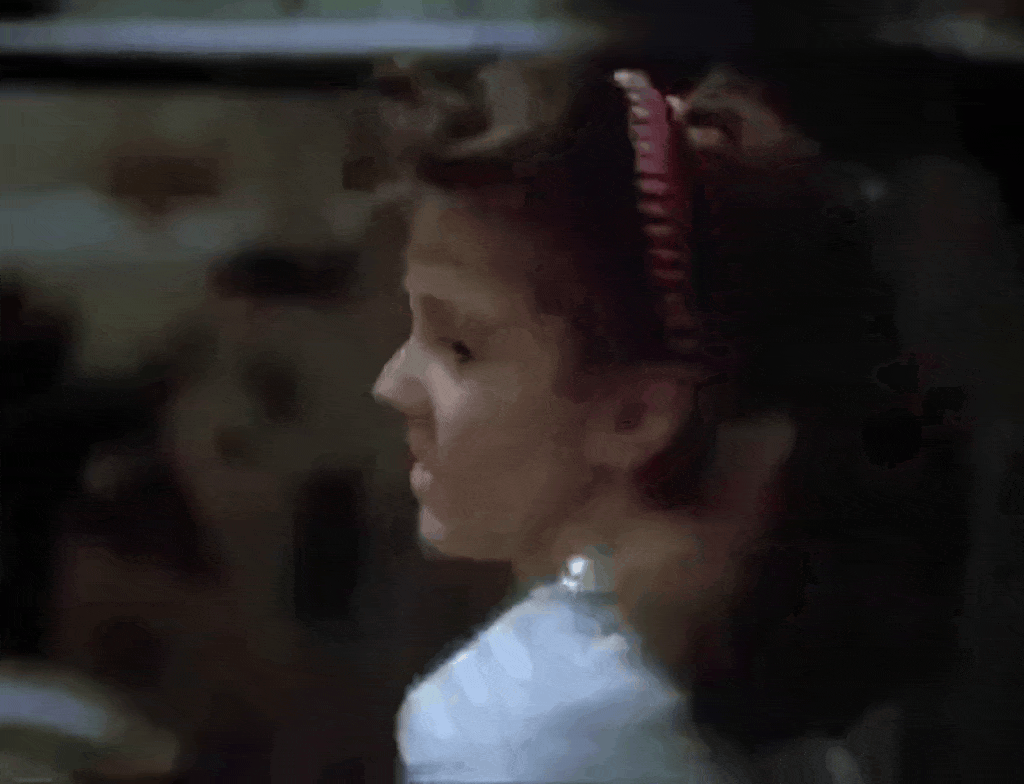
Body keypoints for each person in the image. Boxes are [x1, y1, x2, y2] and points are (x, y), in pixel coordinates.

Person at [370, 55, 965, 784]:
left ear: (635, 413)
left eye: (461, 346)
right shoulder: (783, 719)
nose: (393, 387)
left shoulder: (515, 729)